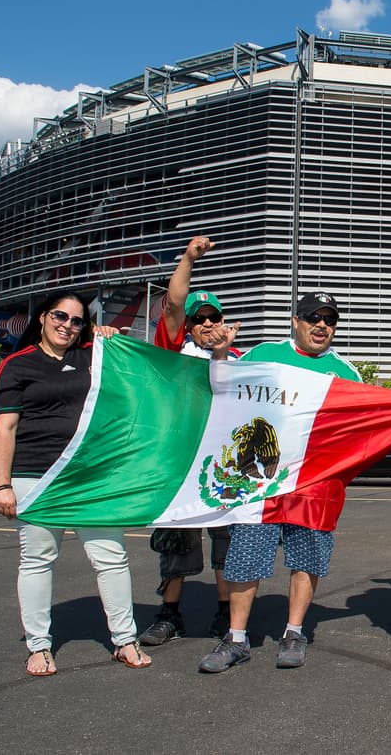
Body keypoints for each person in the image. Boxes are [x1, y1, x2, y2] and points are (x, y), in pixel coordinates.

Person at [197, 291, 362, 673]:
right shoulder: (264, 354)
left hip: (314, 483)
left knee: (307, 558)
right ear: (295, 321)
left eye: (329, 320)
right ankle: (236, 638)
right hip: (262, 482)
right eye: (313, 317)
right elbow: (223, 388)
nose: (321, 325)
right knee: (246, 556)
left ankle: (294, 631)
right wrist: (220, 354)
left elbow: (360, 429)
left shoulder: (346, 372)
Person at [0, 289, 151, 676]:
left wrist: (111, 339)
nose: (67, 325)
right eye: (60, 316)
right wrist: (1, 485)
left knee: (111, 558)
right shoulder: (16, 365)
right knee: (37, 560)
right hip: (35, 477)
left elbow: (138, 373)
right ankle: (39, 646)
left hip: (89, 477)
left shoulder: (93, 357)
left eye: (77, 321)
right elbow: (5, 428)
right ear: (43, 317)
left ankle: (125, 640)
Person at [140, 236, 240, 646]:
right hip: (178, 464)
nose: (207, 325)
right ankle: (170, 614)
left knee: (226, 540)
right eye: (199, 320)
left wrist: (223, 354)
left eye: (213, 317)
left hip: (224, 467)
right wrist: (188, 258)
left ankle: (225, 612)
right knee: (176, 541)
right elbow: (173, 305)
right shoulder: (173, 351)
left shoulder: (241, 360)